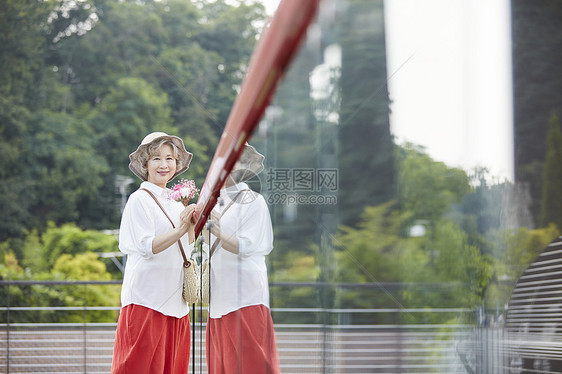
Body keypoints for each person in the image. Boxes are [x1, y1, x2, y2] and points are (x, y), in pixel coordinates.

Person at [111, 132, 196, 374]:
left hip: (176, 304)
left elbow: (186, 247)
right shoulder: (139, 200)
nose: (164, 165)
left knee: (172, 368)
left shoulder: (174, 202)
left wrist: (192, 224)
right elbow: (147, 246)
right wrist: (181, 228)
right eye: (156, 158)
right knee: (137, 367)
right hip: (147, 301)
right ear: (145, 164)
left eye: (170, 158)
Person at [205, 144, 281, 374]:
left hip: (245, 297)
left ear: (244, 167)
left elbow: (248, 245)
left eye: (234, 161)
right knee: (222, 365)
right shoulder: (214, 202)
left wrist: (216, 232)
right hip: (219, 298)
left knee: (252, 363)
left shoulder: (253, 200)